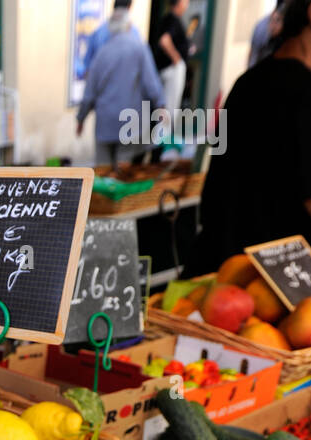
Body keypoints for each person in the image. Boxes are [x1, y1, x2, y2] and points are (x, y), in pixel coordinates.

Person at [186, 0, 311, 274]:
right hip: (279, 278)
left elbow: (218, 180)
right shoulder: (302, 93)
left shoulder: (248, 82)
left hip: (225, 265)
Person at [77, 2, 165, 168]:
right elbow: (151, 83)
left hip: (105, 122)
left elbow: (90, 90)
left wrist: (81, 118)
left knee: (103, 171)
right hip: (129, 122)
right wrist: (160, 106)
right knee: (123, 171)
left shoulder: (101, 53)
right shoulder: (139, 47)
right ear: (128, 25)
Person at [152, 0, 191, 115]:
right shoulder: (172, 19)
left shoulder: (169, 19)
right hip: (172, 69)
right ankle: (163, 133)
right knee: (168, 111)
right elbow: (164, 41)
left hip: (168, 68)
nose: (187, 4)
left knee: (166, 110)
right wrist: (177, 60)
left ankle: (163, 132)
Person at [82, 0, 141, 75]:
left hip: (101, 83)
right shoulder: (134, 34)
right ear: (129, 7)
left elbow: (87, 67)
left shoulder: (99, 32)